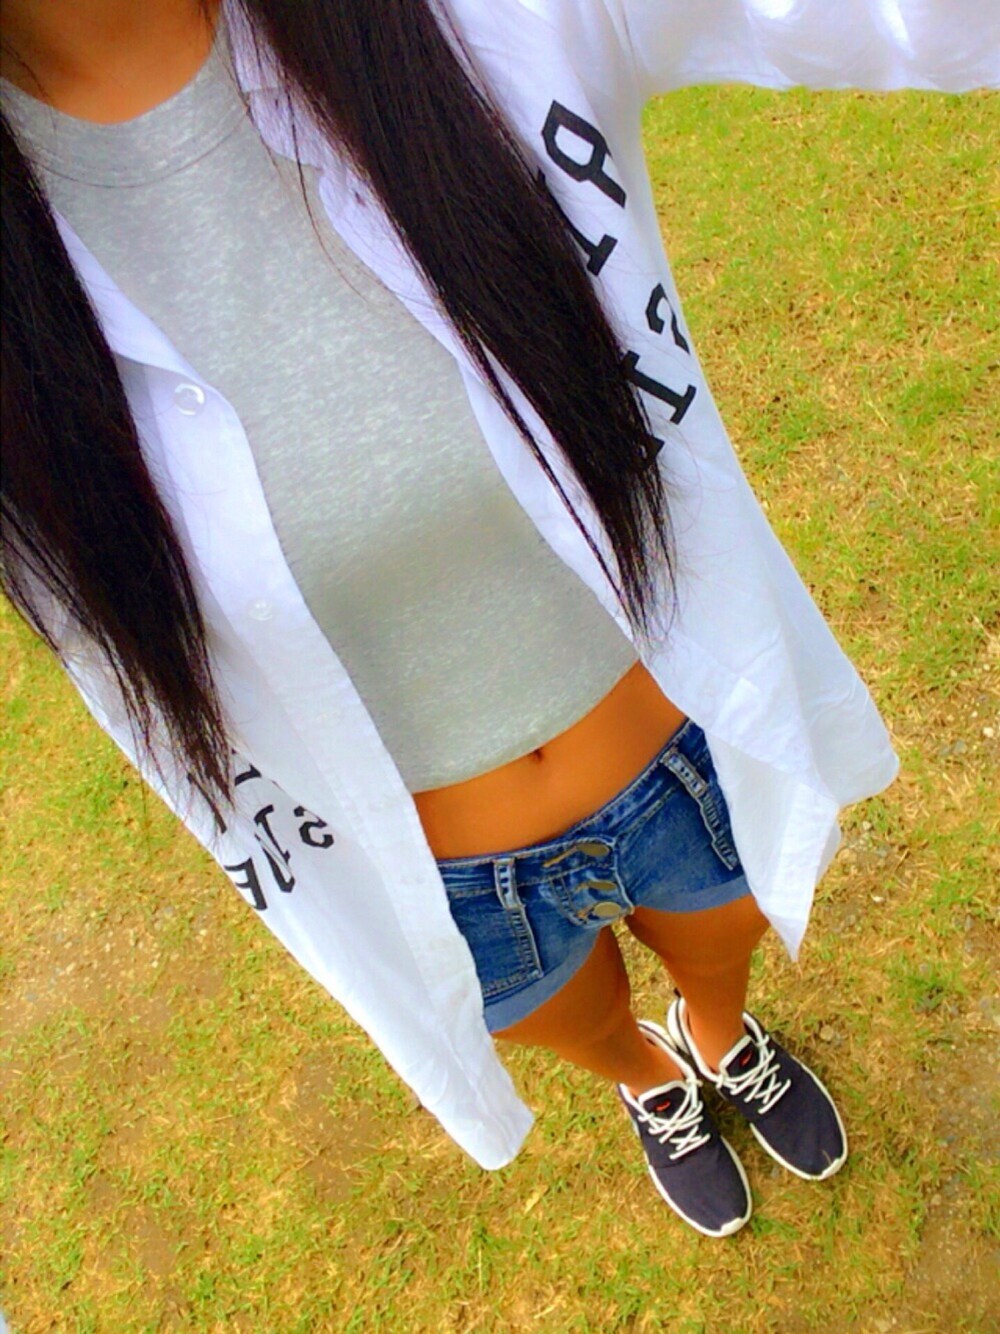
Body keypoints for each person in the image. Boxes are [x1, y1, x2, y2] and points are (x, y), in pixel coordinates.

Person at [1, 0, 993, 1240]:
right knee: (579, 1022)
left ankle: (718, 1034)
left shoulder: (465, 23)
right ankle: (647, 1075)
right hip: (453, 881)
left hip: (678, 746)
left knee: (722, 941)